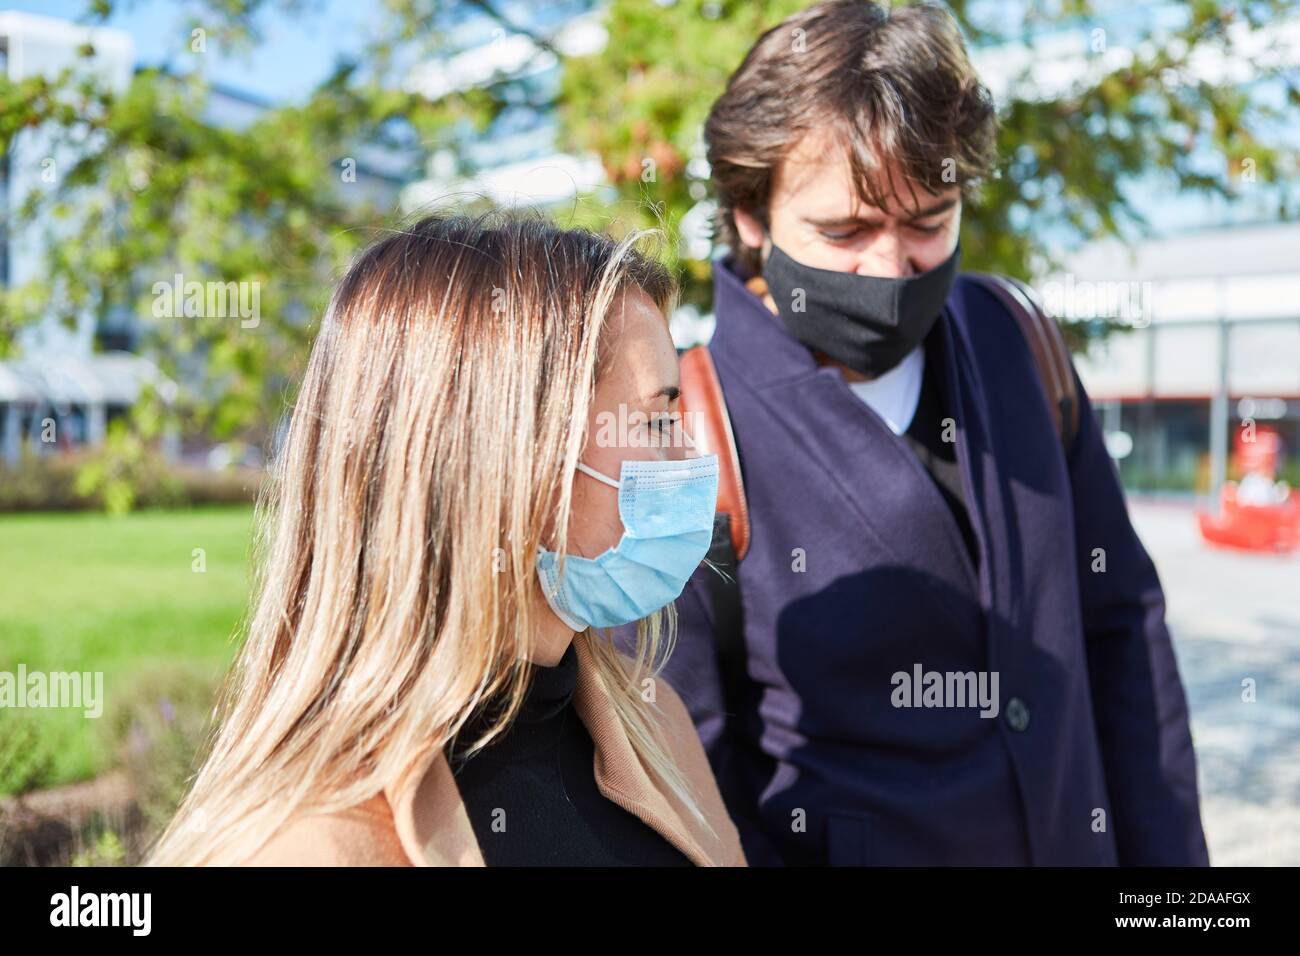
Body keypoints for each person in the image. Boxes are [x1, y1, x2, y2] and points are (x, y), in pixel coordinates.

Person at [614, 0, 1209, 866]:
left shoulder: (1016, 341)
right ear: (750, 214)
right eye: (845, 230)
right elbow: (685, 775)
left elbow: (1123, 631)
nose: (891, 266)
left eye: (930, 221)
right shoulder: (683, 432)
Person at [144, 212, 746, 867]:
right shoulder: (305, 846)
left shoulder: (655, 727)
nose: (689, 456)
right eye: (656, 421)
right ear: (505, 453)